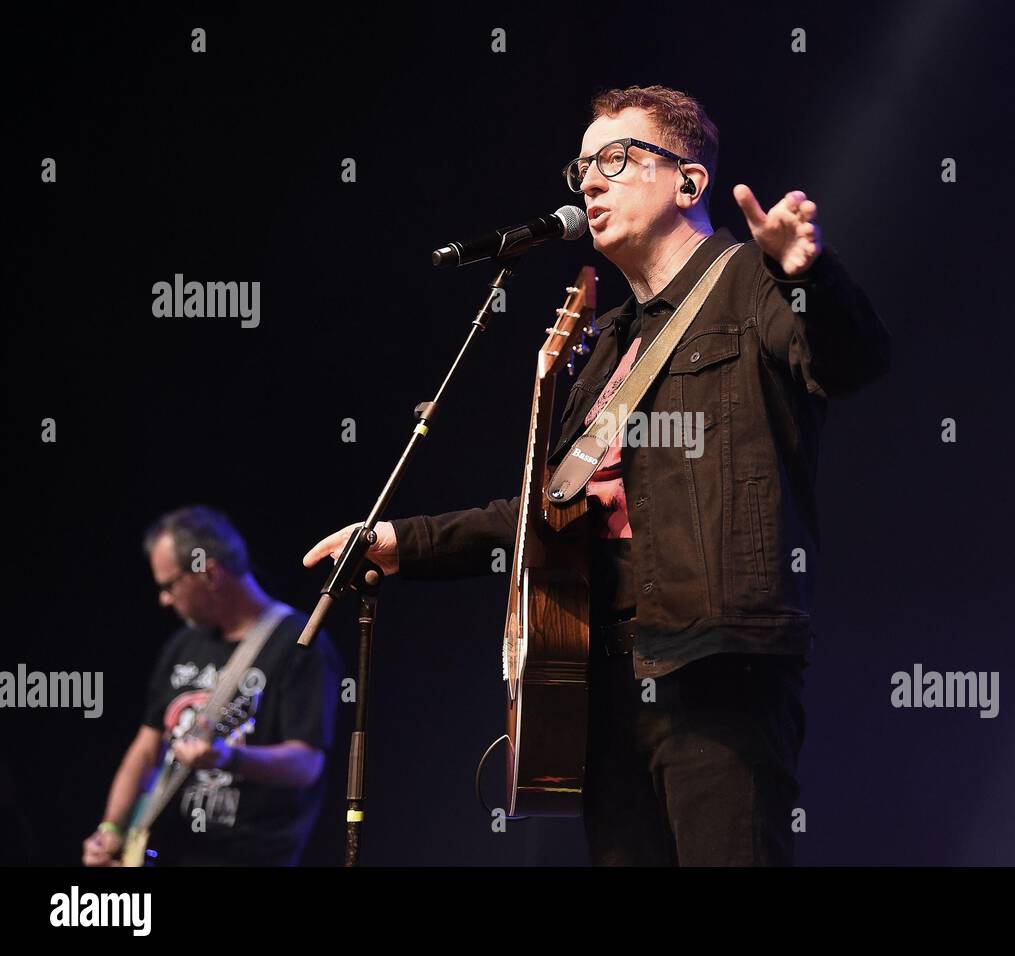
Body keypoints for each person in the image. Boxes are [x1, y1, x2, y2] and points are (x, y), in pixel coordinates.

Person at [305, 85, 890, 865]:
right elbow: (546, 511)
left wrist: (805, 275)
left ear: (688, 181)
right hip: (601, 683)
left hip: (712, 660)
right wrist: (399, 542)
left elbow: (852, 362)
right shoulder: (608, 343)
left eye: (617, 158)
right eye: (582, 165)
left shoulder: (753, 283)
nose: (590, 181)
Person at [84, 506, 339, 866]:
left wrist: (230, 757)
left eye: (169, 585)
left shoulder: (300, 644)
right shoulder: (182, 644)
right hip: (167, 851)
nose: (164, 599)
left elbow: (306, 764)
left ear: (210, 573)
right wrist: (111, 827)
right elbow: (146, 749)